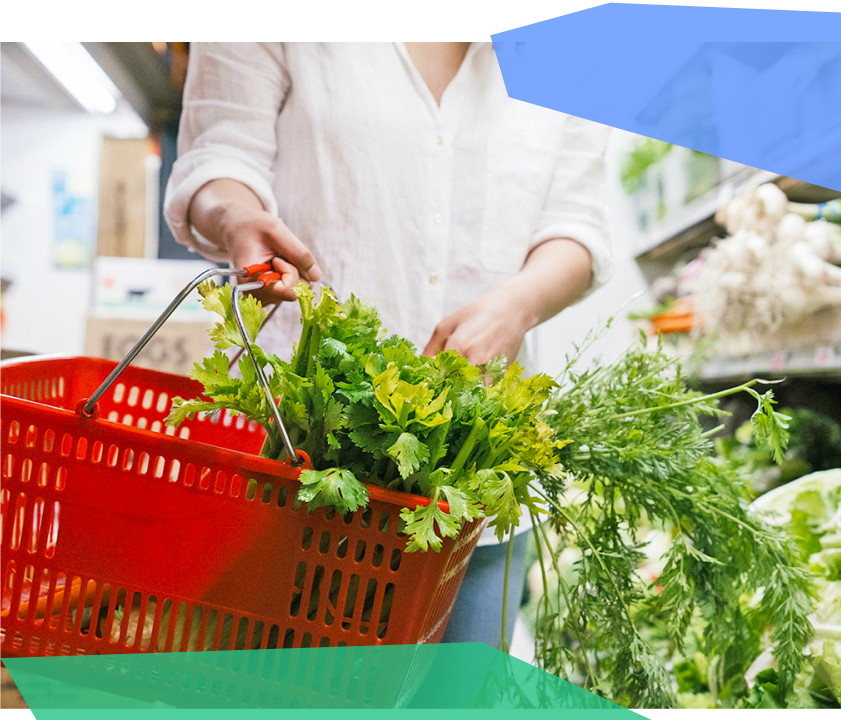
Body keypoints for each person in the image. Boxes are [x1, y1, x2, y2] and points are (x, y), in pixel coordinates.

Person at [164, 42, 612, 651]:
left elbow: (577, 225)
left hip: (470, 488)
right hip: (298, 466)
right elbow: (218, 156)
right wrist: (238, 219)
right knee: (281, 717)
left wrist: (518, 304)